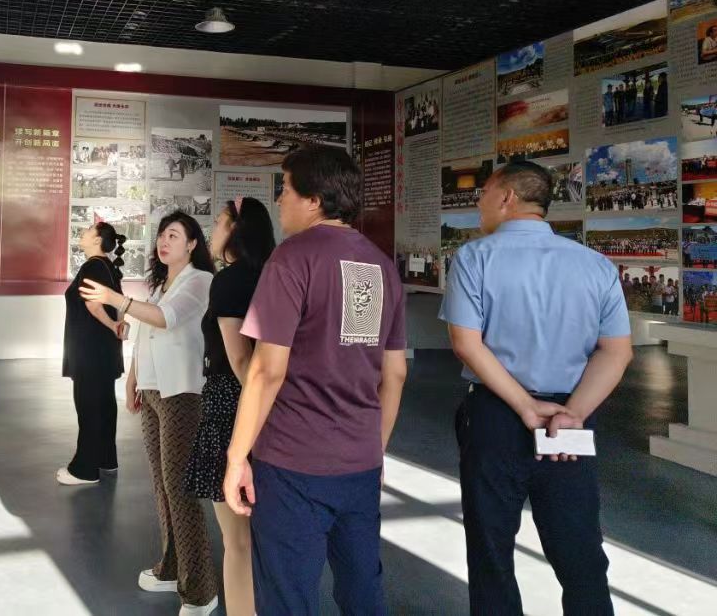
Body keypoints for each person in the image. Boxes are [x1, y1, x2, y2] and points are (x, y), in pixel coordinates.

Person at [439, 161, 633, 615]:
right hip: (569, 425)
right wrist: (574, 413)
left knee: (491, 551)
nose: (479, 202)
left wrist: (526, 406)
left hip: (496, 415)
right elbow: (616, 352)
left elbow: (466, 344)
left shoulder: (474, 257)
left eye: (485, 192)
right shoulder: (595, 265)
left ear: (507, 197)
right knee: (580, 550)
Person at [222, 145, 408, 616]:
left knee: (288, 594)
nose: (279, 200)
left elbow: (266, 370)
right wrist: (375, 449)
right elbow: (395, 373)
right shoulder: (382, 266)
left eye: (285, 188)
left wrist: (237, 456)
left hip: (292, 463)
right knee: (363, 590)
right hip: (360, 462)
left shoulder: (292, 258)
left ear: (314, 199)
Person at [81, 212, 218, 616]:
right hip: (154, 391)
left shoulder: (200, 281)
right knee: (162, 487)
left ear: (192, 244)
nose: (164, 241)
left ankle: (201, 591)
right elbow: (143, 333)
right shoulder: (160, 284)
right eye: (162, 235)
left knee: (181, 491)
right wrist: (133, 380)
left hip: (182, 393)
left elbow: (165, 318)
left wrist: (116, 300)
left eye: (174, 235)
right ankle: (172, 568)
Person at [185, 197, 275, 616]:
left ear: (236, 230)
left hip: (231, 405)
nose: (214, 230)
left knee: (237, 540)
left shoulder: (230, 281)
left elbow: (240, 359)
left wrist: (258, 412)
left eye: (220, 222)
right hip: (271, 399)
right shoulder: (273, 274)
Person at [59, 223, 127, 485]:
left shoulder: (92, 266)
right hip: (103, 350)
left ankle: (84, 469)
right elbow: (118, 304)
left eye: (88, 230)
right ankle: (106, 460)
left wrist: (112, 325)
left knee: (88, 406)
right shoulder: (107, 266)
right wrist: (117, 325)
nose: (83, 233)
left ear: (97, 240)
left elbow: (93, 304)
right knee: (104, 404)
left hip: (89, 351)